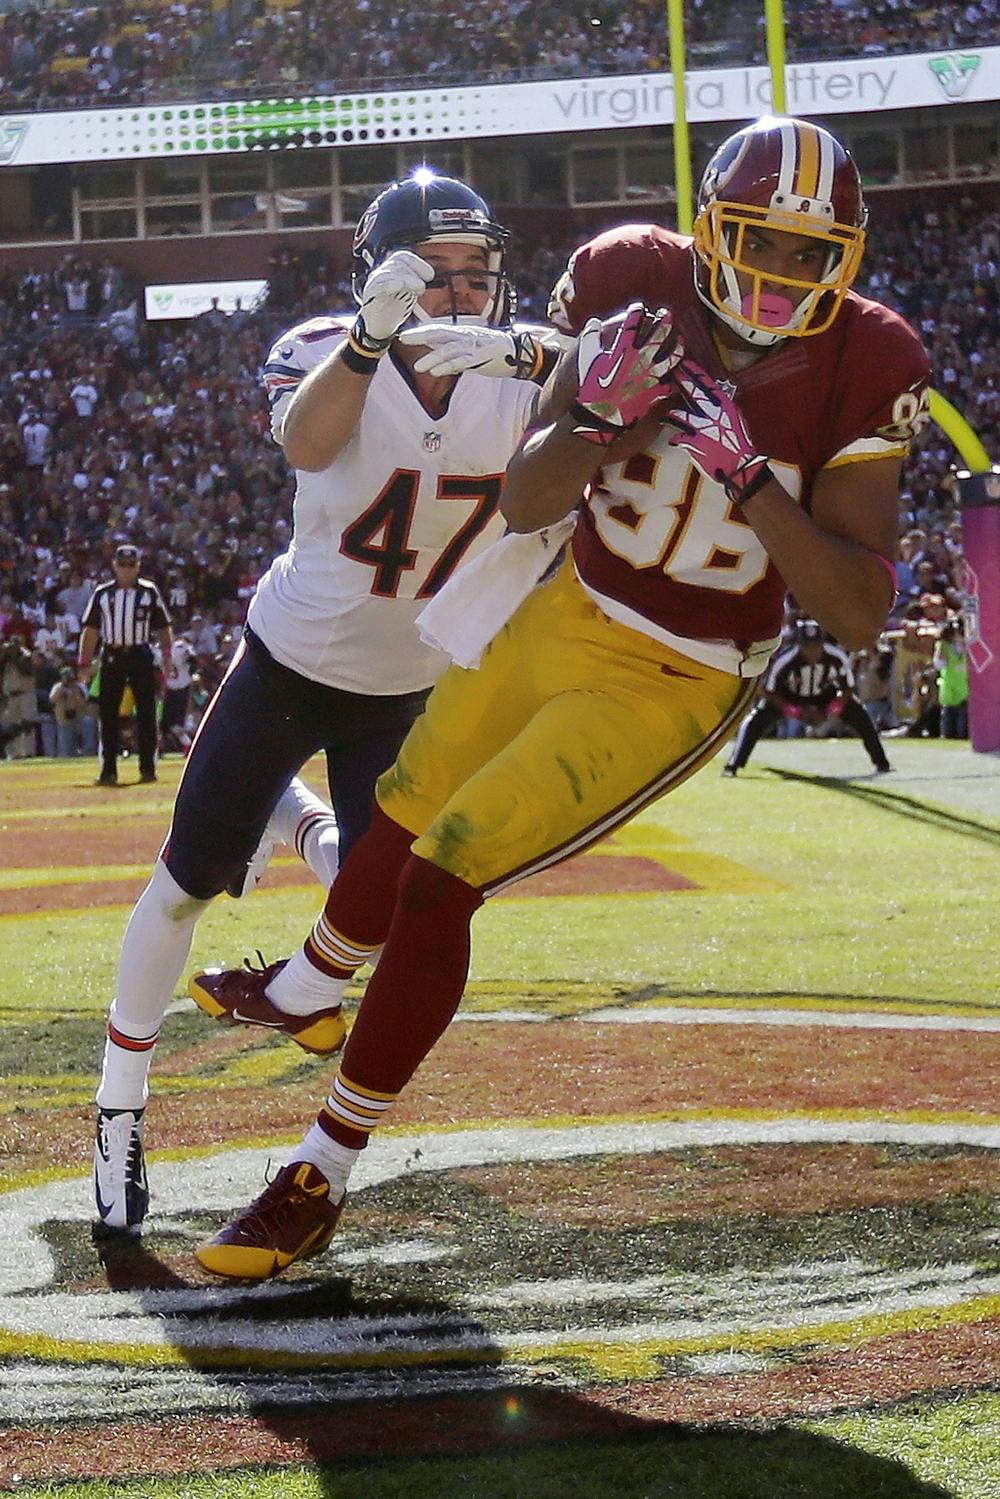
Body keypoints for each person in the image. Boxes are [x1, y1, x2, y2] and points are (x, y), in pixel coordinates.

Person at [185, 116, 933, 1284]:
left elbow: (852, 610)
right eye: (759, 241)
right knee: (404, 800)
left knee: (444, 871)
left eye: (809, 252)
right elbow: (531, 498)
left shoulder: (868, 358)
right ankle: (308, 985)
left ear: (846, 258)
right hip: (569, 599)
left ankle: (319, 1172)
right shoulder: (630, 274)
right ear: (709, 231)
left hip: (681, 665)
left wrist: (746, 478)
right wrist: (592, 417)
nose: (782, 274)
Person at [91, 171, 559, 1233]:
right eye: (434, 273)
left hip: (412, 686)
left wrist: (534, 356)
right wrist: (367, 340)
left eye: (476, 274)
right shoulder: (322, 349)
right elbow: (306, 443)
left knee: (381, 911)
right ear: (379, 274)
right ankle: (119, 1104)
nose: (458, 294)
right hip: (291, 663)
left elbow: (606, 385)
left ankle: (295, 821)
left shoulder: (518, 368)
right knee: (184, 884)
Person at [722, 620, 892, 775]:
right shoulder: (786, 660)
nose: (812, 652)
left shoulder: (836, 657)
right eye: (807, 647)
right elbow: (770, 690)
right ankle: (734, 764)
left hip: (824, 695)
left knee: (861, 716)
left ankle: (882, 763)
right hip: (791, 696)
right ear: (799, 645)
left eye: (816, 646)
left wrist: (832, 709)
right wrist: (793, 711)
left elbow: (847, 687)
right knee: (755, 721)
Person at [77, 544, 172, 786]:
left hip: (140, 654)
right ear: (115, 566)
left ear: (138, 566)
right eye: (123, 565)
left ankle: (148, 768)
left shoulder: (148, 592)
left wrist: (167, 657)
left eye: (131, 565)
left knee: (147, 712)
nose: (127, 570)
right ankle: (108, 770)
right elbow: (91, 630)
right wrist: (84, 662)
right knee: (108, 713)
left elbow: (163, 627)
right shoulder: (103, 593)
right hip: (112, 654)